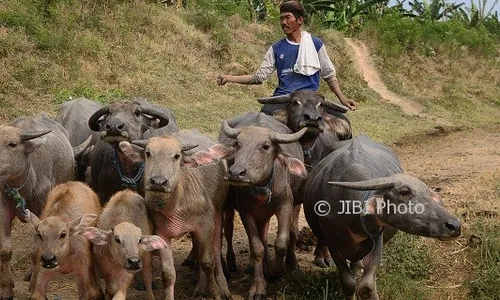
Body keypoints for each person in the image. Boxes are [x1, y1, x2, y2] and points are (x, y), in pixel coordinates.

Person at [217, 0, 357, 115]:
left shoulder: (315, 44)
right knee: (262, 121)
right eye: (281, 18)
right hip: (283, 98)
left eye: (287, 17)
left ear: (300, 20)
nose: (283, 22)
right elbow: (259, 78)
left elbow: (329, 75)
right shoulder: (276, 48)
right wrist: (229, 78)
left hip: (310, 100)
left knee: (341, 124)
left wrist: (342, 99)